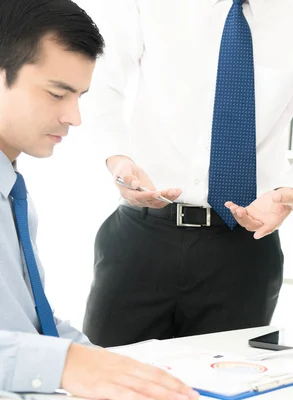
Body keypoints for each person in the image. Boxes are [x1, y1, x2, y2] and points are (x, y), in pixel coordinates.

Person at [80, 0, 293, 347]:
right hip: (143, 235)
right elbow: (99, 84)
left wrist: (291, 192)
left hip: (243, 247)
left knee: (225, 384)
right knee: (107, 380)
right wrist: (117, 159)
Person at [0, 1, 198, 398]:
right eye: (57, 94)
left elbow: (30, 323)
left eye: (79, 96)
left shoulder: (13, 194)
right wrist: (70, 364)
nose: (74, 117)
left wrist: (114, 369)